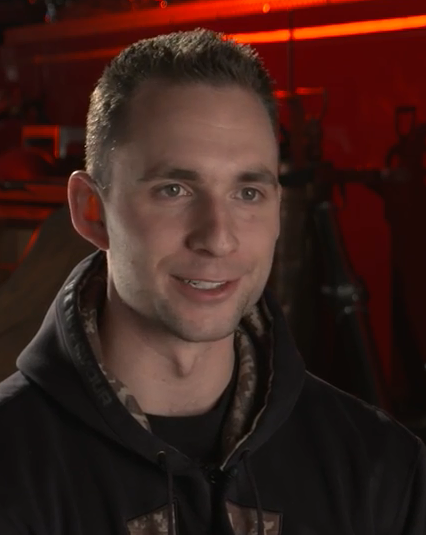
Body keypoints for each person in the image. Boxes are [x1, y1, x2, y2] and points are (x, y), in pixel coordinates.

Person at [0, 28, 425, 535]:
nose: (218, 239)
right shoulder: (12, 472)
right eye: (174, 189)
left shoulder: (380, 469)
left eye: (248, 193)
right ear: (92, 212)